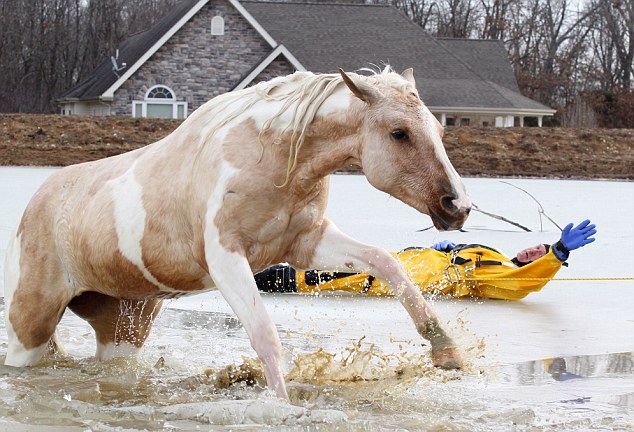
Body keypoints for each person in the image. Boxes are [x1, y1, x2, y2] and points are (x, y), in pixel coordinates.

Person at [254, 220, 597, 301]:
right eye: (537, 247)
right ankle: (250, 271)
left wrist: (558, 253)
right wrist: (449, 248)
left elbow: (523, 285)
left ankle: (250, 281)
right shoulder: (492, 254)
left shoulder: (502, 274)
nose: (533, 251)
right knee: (318, 261)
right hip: (394, 260)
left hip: (388, 279)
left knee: (307, 278)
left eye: (538, 253)